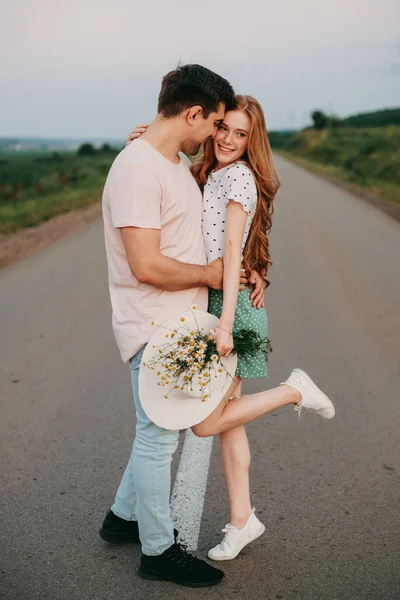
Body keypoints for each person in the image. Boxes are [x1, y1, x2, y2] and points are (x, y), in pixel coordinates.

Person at [128, 94, 335, 562]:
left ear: (251, 142)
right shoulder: (210, 172)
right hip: (219, 299)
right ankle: (243, 520)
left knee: (205, 423)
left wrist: (224, 325)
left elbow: (233, 254)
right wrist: (149, 142)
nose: (227, 139)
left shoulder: (238, 176)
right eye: (224, 128)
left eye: (241, 134)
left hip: (230, 310)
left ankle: (292, 391)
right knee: (228, 425)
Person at [100, 64, 266, 588]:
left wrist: (245, 267)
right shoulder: (138, 169)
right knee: (157, 440)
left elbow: (212, 225)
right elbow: (146, 265)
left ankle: (122, 519)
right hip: (153, 327)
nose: (215, 136)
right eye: (214, 123)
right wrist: (212, 273)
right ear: (193, 113)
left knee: (157, 427)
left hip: (179, 322)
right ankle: (158, 550)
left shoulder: (168, 160)